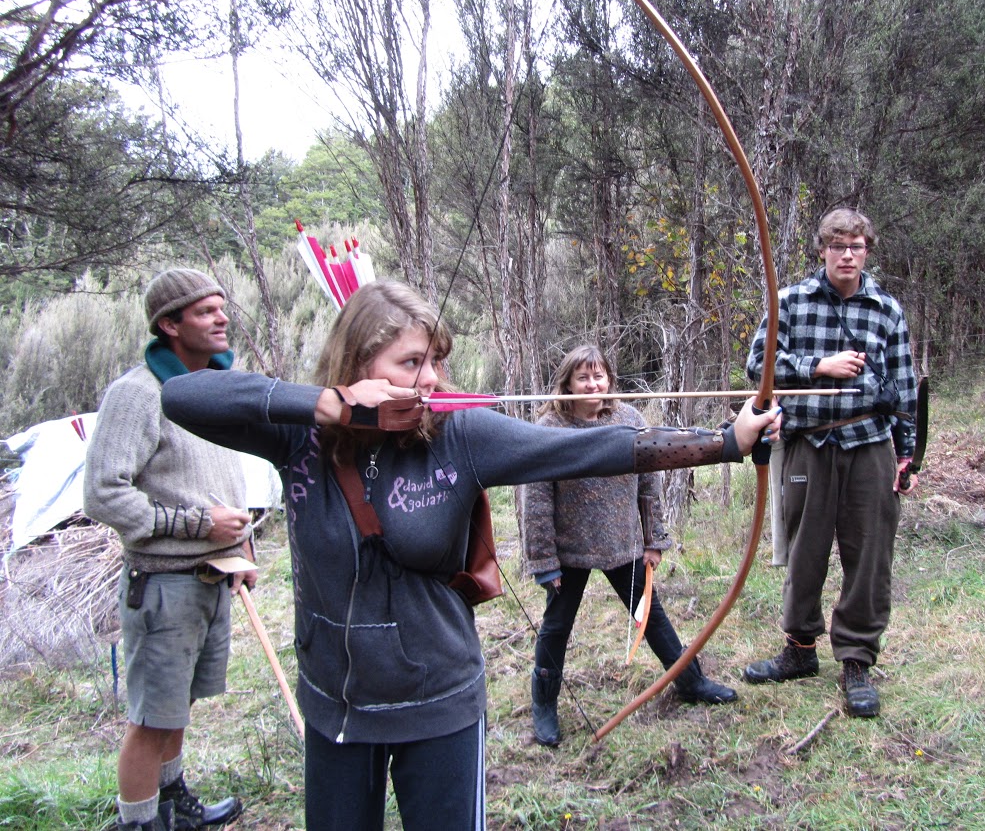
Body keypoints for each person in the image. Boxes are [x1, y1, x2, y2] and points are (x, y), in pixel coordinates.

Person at [158, 279, 781, 831]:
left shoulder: (459, 434)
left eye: (436, 362)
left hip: (438, 701)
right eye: (411, 363)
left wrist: (726, 442)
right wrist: (326, 404)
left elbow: (594, 448)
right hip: (337, 705)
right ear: (359, 363)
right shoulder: (299, 436)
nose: (431, 380)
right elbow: (184, 396)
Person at [84, 269, 254, 831]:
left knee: (176, 708)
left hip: (212, 575)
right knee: (151, 717)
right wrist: (197, 524)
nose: (221, 318)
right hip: (163, 585)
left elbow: (223, 484)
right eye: (205, 312)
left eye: (221, 308)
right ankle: (138, 822)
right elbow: (104, 494)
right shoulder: (137, 394)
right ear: (169, 324)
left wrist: (240, 543)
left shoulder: (217, 390)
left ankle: (172, 801)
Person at [743, 208, 918, 718]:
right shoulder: (791, 301)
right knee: (805, 551)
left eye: (857, 246)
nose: (847, 254)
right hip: (808, 443)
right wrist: (817, 366)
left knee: (869, 556)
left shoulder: (886, 309)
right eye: (838, 244)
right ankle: (799, 651)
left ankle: (856, 660)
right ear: (822, 249)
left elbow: (905, 387)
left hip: (869, 446)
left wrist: (908, 453)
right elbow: (758, 365)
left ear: (867, 252)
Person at [521, 345, 739, 747]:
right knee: (555, 628)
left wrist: (653, 539)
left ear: (610, 379)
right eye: (583, 377)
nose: (592, 384)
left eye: (599, 376)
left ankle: (689, 682)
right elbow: (535, 499)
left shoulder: (629, 419)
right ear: (567, 382)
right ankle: (544, 706)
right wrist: (544, 560)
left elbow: (648, 483)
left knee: (651, 617)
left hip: (624, 545)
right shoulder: (550, 426)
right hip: (569, 551)